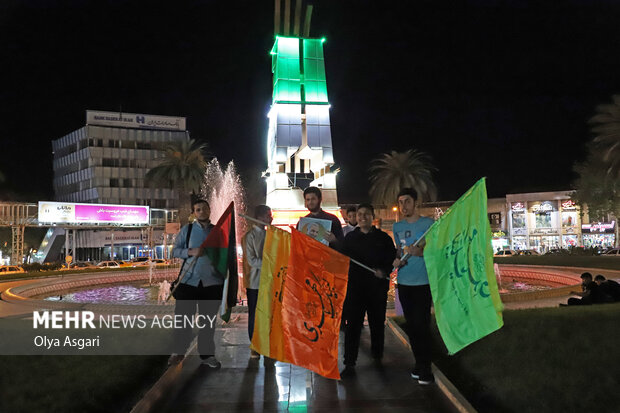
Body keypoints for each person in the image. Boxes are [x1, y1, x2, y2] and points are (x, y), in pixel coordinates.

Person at [340, 203, 396, 377]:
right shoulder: (349, 239)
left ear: (373, 217)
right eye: (360, 214)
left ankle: (377, 356)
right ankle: (349, 363)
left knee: (377, 324)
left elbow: (391, 258)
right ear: (356, 217)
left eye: (366, 214)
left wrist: (384, 271)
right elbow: (341, 259)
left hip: (377, 290)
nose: (362, 217)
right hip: (355, 290)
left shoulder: (384, 238)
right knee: (353, 327)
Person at [168, 199, 224, 368]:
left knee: (208, 323)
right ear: (194, 213)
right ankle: (178, 352)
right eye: (198, 209)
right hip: (188, 282)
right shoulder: (188, 229)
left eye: (205, 208)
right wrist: (191, 251)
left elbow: (225, 255)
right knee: (183, 320)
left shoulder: (218, 232)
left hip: (212, 283)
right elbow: (174, 251)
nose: (202, 211)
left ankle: (207, 355)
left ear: (210, 210)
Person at [392, 188, 435, 385]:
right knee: (412, 326)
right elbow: (398, 251)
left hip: (423, 283)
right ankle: (419, 363)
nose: (403, 206)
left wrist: (422, 253)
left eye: (407, 201)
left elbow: (438, 251)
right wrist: (396, 260)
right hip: (404, 283)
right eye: (400, 202)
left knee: (422, 325)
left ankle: (426, 368)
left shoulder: (428, 224)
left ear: (415, 202)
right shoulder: (397, 226)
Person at [242, 205, 272, 358]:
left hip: (270, 282)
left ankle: (267, 344)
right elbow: (252, 260)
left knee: (268, 314)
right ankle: (255, 345)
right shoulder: (250, 236)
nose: (271, 218)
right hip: (254, 283)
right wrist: (270, 264)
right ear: (260, 217)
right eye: (268, 215)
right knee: (254, 314)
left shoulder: (271, 235)